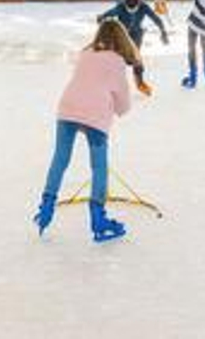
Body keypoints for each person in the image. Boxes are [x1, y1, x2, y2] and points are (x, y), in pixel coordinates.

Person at [31, 19, 141, 243]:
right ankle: (98, 219)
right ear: (122, 38)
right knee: (99, 166)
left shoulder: (86, 53)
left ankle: (46, 208)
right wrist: (119, 106)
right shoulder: (117, 62)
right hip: (95, 114)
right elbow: (123, 105)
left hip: (68, 107)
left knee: (60, 159)